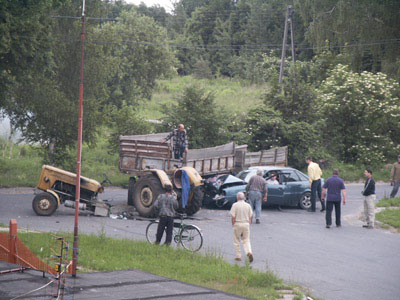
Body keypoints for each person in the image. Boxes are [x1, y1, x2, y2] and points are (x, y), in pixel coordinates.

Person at [230, 192, 253, 262]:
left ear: (237, 198)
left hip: (238, 223)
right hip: (246, 224)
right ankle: (249, 252)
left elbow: (233, 216)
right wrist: (249, 223)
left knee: (236, 240)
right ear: (244, 198)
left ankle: (238, 256)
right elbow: (250, 216)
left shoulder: (235, 205)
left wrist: (233, 224)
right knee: (246, 240)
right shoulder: (248, 205)